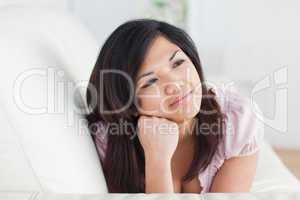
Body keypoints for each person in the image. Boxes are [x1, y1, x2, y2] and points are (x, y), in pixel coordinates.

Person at [85, 19, 264, 193]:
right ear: (128, 102)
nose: (175, 85)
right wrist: (158, 159)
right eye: (150, 81)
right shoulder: (110, 138)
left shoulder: (237, 120)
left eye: (178, 63)